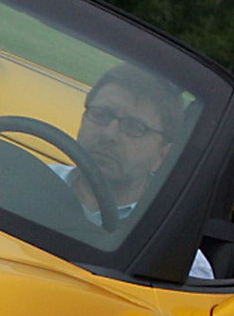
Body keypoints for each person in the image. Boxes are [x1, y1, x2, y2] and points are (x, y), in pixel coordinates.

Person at [51, 64, 214, 280]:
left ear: (162, 156)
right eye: (101, 115)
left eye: (135, 127)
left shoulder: (177, 262)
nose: (109, 134)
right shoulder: (25, 180)